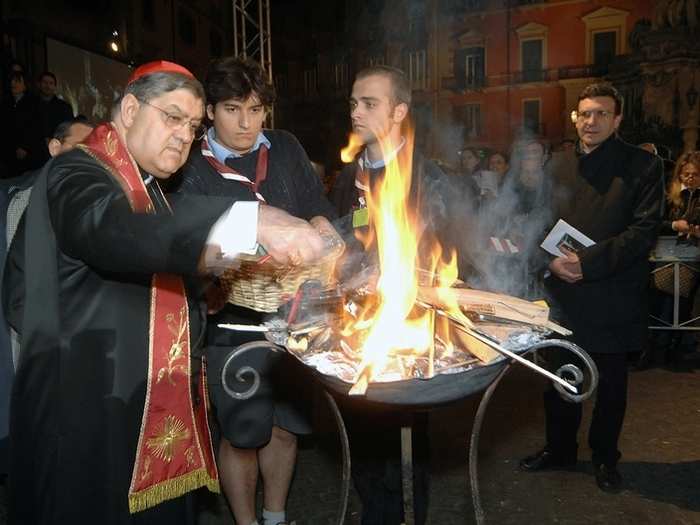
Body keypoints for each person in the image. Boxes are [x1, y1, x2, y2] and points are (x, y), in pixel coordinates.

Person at [2, 60, 328, 525]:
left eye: (193, 126)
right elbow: (108, 230)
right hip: (85, 408)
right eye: (172, 116)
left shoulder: (147, 187)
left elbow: (149, 259)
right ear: (130, 109)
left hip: (138, 403)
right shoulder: (77, 171)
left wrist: (202, 287)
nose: (183, 134)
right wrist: (250, 219)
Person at [175, 56, 337, 525]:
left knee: (287, 429)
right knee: (243, 434)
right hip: (231, 316)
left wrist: (328, 233)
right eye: (231, 109)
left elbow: (315, 205)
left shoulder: (284, 146)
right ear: (209, 111)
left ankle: (275, 516)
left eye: (255, 109)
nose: (246, 123)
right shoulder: (188, 165)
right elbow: (186, 244)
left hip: (296, 309)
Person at [519, 83, 664, 493]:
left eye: (601, 114)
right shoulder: (557, 165)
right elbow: (537, 220)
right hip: (562, 293)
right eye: (584, 114)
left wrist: (587, 264)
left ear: (617, 119)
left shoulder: (643, 166)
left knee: (611, 387)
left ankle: (605, 458)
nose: (591, 121)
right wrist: (549, 261)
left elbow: (642, 232)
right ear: (575, 118)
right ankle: (559, 449)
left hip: (613, 294)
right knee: (560, 379)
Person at [329, 65, 456, 525]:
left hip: (407, 332)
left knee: (406, 440)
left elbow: (445, 255)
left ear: (399, 111)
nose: (356, 112)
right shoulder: (349, 174)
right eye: (353, 103)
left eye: (369, 103)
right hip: (354, 329)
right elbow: (344, 237)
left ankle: (406, 514)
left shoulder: (428, 176)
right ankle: (373, 510)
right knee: (360, 429)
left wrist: (394, 273)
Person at [35, 71, 75, 164]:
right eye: (45, 82)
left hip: (57, 152)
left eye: (51, 83)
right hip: (35, 152)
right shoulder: (31, 105)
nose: (47, 86)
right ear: (39, 84)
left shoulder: (64, 107)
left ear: (55, 86)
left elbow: (69, 128)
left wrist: (54, 140)